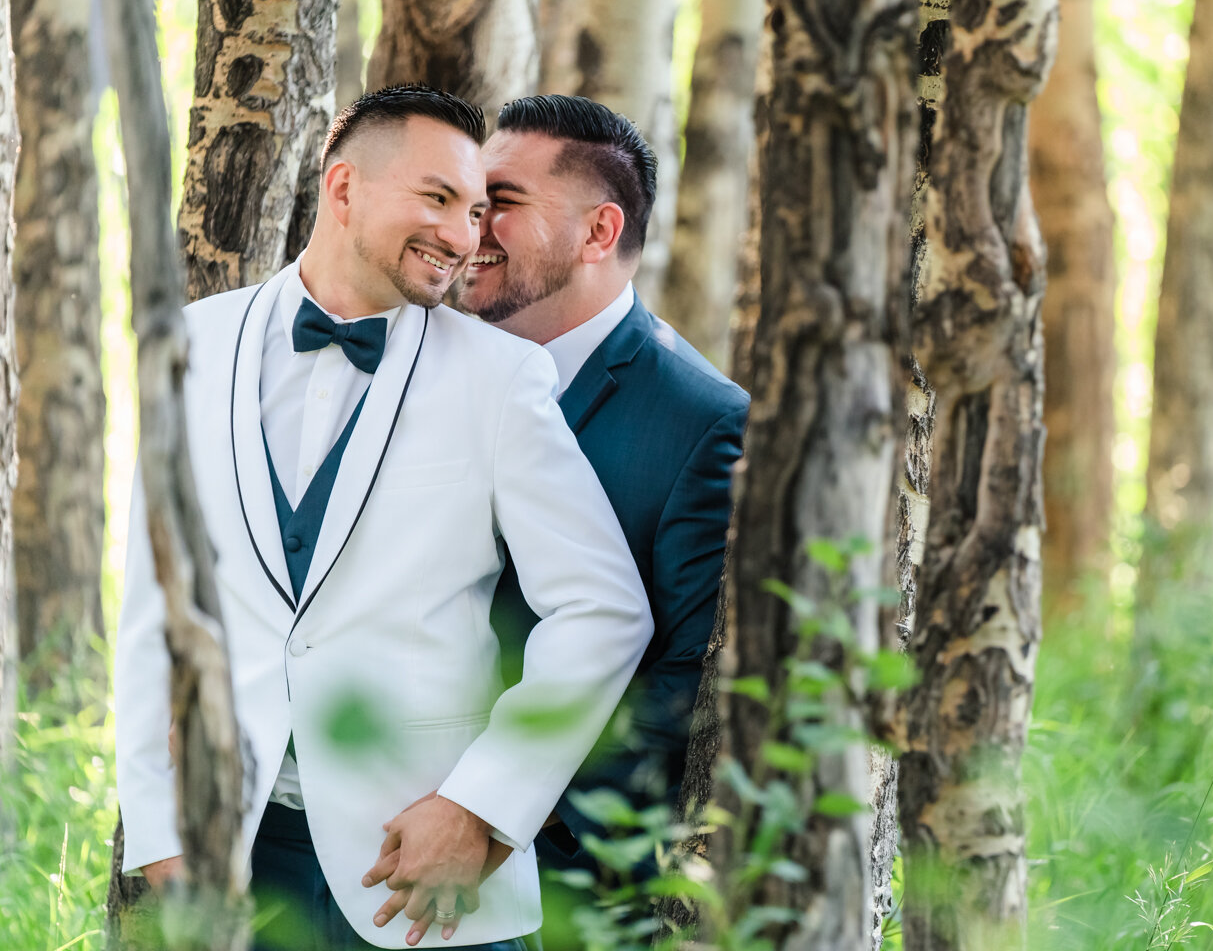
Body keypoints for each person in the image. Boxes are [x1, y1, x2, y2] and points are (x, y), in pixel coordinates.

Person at [113, 85, 653, 951]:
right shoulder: (188, 348)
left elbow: (603, 612)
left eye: (477, 211)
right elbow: (153, 608)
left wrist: (479, 808)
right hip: (239, 865)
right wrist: (162, 837)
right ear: (342, 189)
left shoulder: (499, 378)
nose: (462, 235)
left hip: (426, 877)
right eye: (437, 198)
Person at [457, 94, 748, 944]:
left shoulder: (703, 421)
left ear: (597, 232)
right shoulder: (434, 363)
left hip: (556, 881)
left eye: (501, 203)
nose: (471, 226)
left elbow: (681, 687)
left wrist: (496, 809)